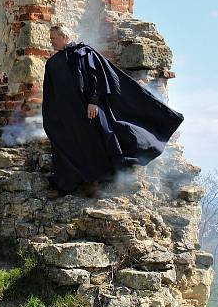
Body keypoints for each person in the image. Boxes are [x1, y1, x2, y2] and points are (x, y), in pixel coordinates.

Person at [41, 25, 184, 199]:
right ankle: (66, 185)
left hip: (90, 109)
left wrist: (93, 102)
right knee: (65, 143)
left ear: (64, 36)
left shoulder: (85, 53)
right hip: (69, 114)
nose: (51, 41)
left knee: (101, 137)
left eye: (53, 37)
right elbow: (51, 91)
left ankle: (98, 182)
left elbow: (98, 79)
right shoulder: (53, 62)